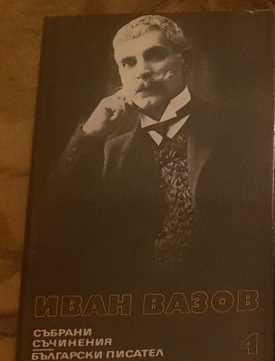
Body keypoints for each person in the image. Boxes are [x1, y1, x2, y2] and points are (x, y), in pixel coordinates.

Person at [40, 15, 260, 286]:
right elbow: (54, 227)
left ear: (185, 60)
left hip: (223, 292)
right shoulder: (109, 151)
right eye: (128, 62)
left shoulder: (241, 127)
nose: (142, 71)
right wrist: (90, 135)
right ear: (121, 75)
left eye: (155, 55)